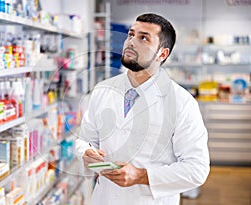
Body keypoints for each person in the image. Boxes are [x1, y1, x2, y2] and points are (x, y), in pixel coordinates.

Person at [75, 13, 210, 205]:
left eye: (143, 38)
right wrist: (86, 153)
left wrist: (141, 176)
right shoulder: (102, 90)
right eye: (131, 34)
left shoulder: (182, 103)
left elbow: (197, 169)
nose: (131, 42)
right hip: (104, 198)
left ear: (162, 54)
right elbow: (85, 140)